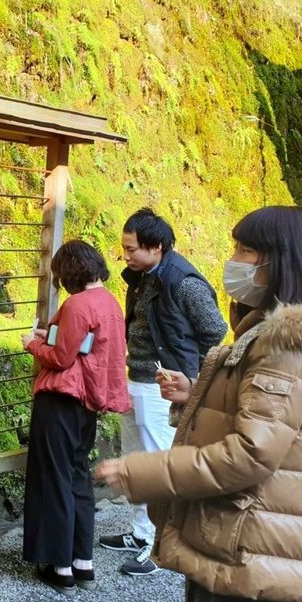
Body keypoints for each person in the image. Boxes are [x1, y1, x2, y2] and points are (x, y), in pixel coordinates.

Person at [96, 206, 302, 602]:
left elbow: (250, 454)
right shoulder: (280, 336)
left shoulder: (284, 348)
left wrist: (139, 472)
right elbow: (264, 422)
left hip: (249, 539)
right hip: (254, 536)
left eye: (243, 251)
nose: (231, 261)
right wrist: (195, 395)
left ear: (277, 263)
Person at [98, 208, 227, 575]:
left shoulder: (183, 281)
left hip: (164, 386)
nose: (125, 256)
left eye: (131, 249)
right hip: (136, 378)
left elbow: (215, 331)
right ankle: (141, 533)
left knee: (158, 463)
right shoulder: (141, 275)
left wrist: (191, 373)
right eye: (124, 249)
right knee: (136, 460)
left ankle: (159, 544)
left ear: (156, 247)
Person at [20, 240, 130, 592]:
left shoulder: (77, 304)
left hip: (60, 401)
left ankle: (59, 566)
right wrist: (49, 335)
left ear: (70, 271)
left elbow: (62, 357)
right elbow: (87, 348)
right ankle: (83, 562)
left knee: (54, 480)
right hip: (87, 405)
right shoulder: (110, 303)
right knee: (78, 478)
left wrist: (31, 343)